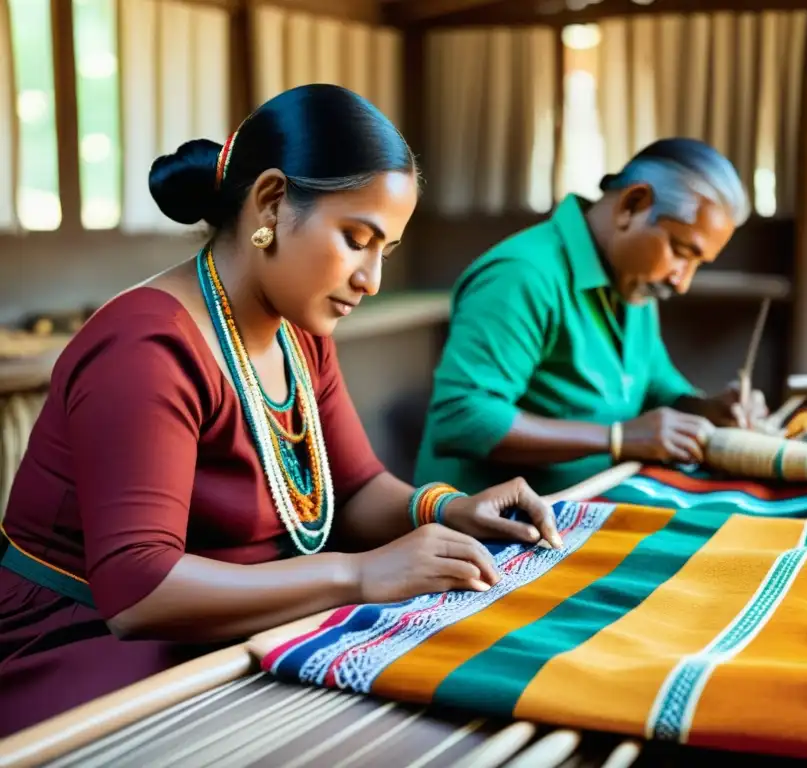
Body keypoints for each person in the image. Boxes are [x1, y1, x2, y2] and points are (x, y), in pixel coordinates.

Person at [0, 84, 560, 736]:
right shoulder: (146, 346)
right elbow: (139, 591)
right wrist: (358, 574)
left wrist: (448, 508)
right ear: (269, 203)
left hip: (234, 625)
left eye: (387, 251)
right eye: (357, 238)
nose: (371, 279)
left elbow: (352, 490)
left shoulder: (300, 334)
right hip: (87, 648)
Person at [415, 138, 767, 496]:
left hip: (589, 501)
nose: (682, 281)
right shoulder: (523, 275)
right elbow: (460, 418)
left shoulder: (633, 282)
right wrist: (617, 438)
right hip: (485, 527)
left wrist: (706, 409)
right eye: (680, 251)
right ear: (633, 205)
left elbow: (653, 386)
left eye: (697, 263)